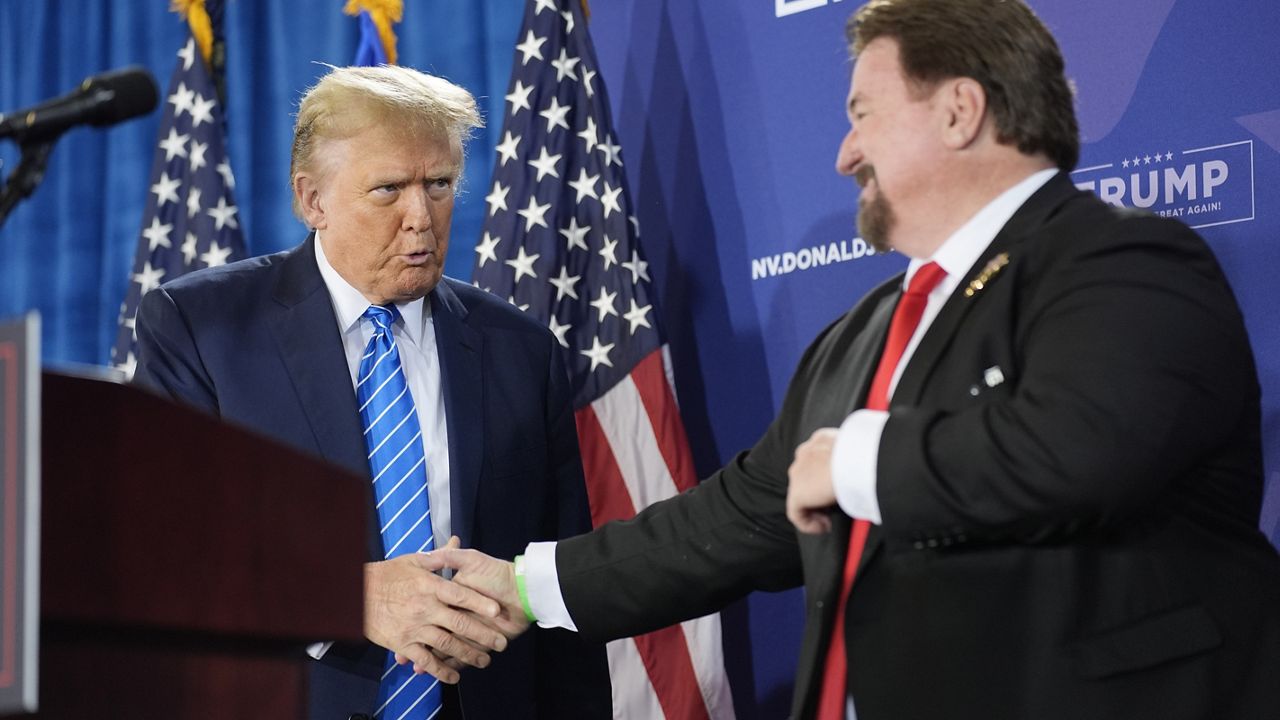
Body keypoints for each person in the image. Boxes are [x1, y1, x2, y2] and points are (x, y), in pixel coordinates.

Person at [435, 1, 1280, 718]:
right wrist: (521, 586)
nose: (843, 153)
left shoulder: (1126, 262)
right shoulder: (867, 330)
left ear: (959, 111)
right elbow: (739, 519)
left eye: (862, 114)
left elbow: (1082, 449)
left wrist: (859, 460)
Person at [133, 65, 611, 720]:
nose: (421, 218)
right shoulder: (204, 330)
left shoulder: (519, 351)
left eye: (439, 185)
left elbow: (560, 598)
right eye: (388, 190)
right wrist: (348, 600)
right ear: (312, 200)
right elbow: (159, 555)